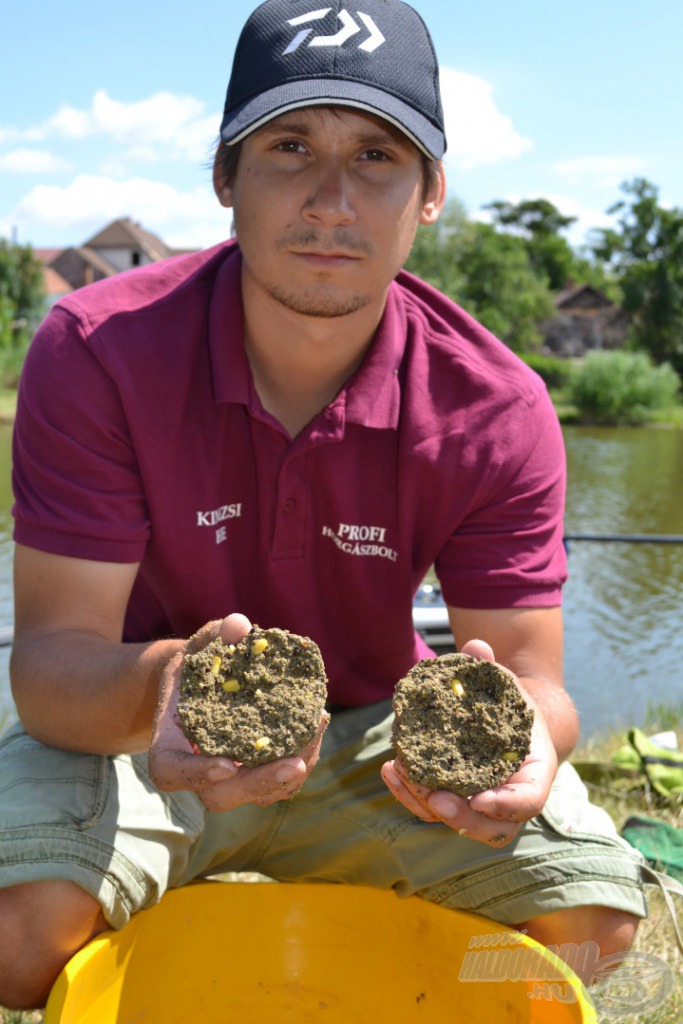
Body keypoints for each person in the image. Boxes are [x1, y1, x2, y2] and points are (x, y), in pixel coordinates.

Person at [0, 0, 647, 1010]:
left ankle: (385, 973)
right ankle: (183, 952)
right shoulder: (95, 351)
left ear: (430, 192)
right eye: (289, 146)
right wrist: (163, 690)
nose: (332, 200)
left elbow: (535, 677)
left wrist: (525, 739)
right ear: (226, 175)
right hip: (146, 724)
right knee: (17, 938)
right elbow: (48, 664)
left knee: (592, 935)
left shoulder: (498, 404)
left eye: (378, 155)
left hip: (378, 743)